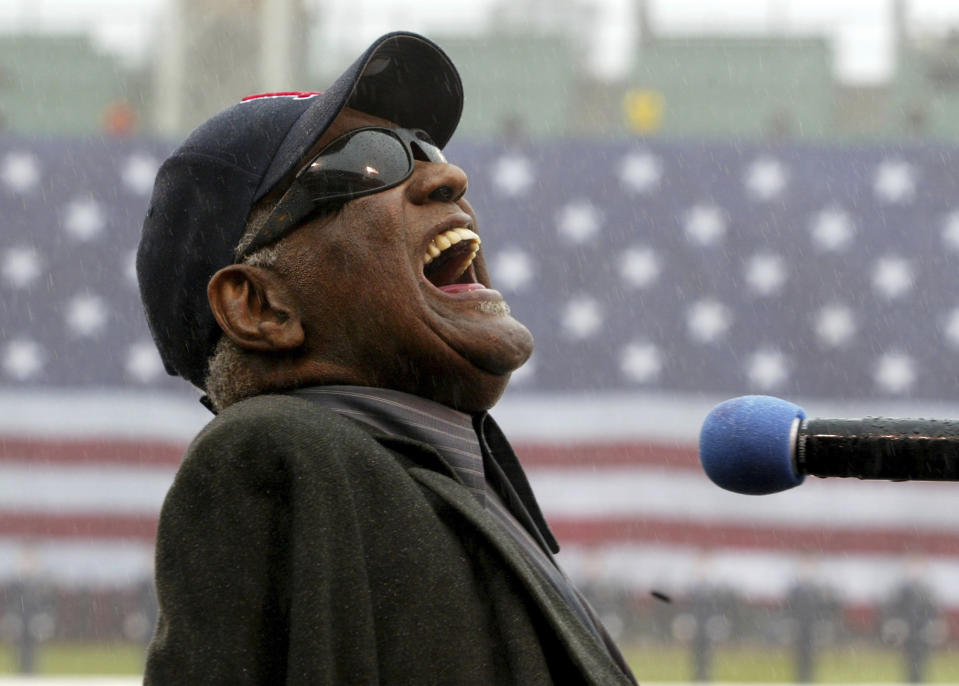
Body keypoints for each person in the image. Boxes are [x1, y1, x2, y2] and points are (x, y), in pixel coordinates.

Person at [136, 31, 637, 685]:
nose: (448, 176)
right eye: (367, 160)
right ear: (261, 307)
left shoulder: (432, 488)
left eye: (424, 149)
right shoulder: (274, 456)